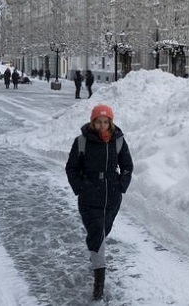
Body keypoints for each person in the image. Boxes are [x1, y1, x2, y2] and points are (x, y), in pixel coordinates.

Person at [65, 105, 133, 301]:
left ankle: (96, 254)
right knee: (97, 233)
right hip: (89, 197)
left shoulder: (118, 141)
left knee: (103, 232)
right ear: (92, 122)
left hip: (112, 196)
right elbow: (71, 168)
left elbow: (127, 166)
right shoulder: (82, 141)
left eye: (105, 122)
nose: (102, 126)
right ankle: (99, 283)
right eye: (98, 122)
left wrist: (121, 185)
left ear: (110, 123)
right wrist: (81, 187)